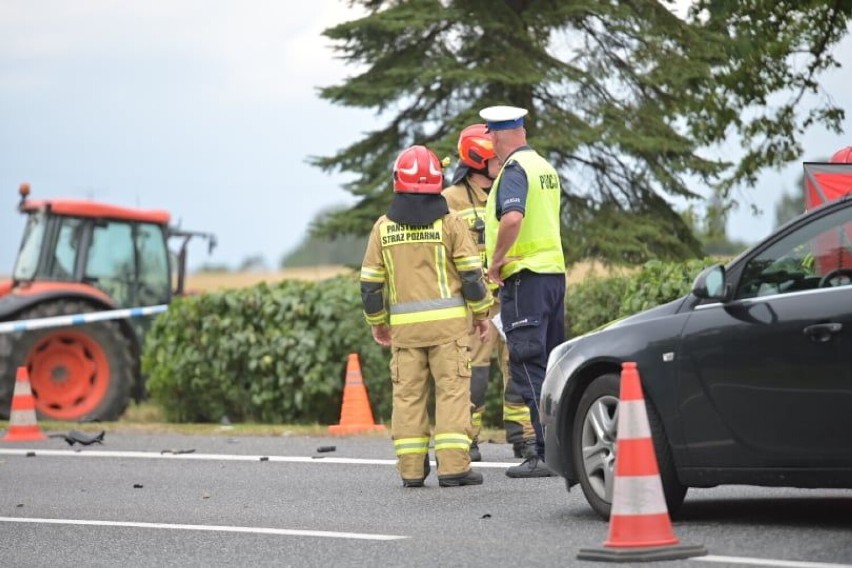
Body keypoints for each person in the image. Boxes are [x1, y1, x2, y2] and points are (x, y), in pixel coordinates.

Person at [360, 144, 493, 488]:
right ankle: (453, 468)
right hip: (449, 331)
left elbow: (370, 286)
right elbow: (471, 276)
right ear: (438, 181)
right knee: (451, 394)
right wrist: (481, 314)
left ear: (397, 182)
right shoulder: (449, 223)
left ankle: (412, 471)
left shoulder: (383, 228)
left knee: (407, 397)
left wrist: (378, 323)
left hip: (405, 336)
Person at [480, 105, 566, 478]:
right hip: (553, 277)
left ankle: (544, 454)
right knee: (549, 364)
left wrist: (497, 261)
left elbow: (513, 218)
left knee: (528, 364)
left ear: (498, 135)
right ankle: (562, 449)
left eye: (491, 138)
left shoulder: (514, 170)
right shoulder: (544, 168)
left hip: (524, 277)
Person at [442, 123, 536, 462]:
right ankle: (468, 438)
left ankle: (524, 436)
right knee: (474, 375)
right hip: (474, 306)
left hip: (511, 296)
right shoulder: (449, 200)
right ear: (478, 159)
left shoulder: (509, 189)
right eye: (495, 156)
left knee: (520, 367)